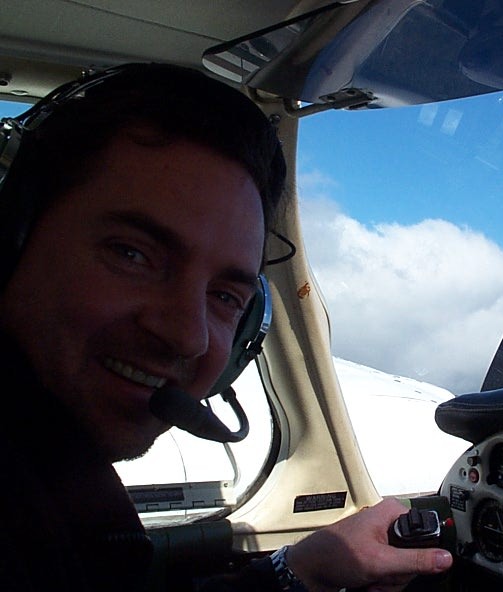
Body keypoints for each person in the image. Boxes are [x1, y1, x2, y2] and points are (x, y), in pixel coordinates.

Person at [0, 63, 451, 591]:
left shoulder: (54, 474)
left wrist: (295, 572)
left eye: (224, 296)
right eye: (132, 254)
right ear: (12, 236)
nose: (188, 335)